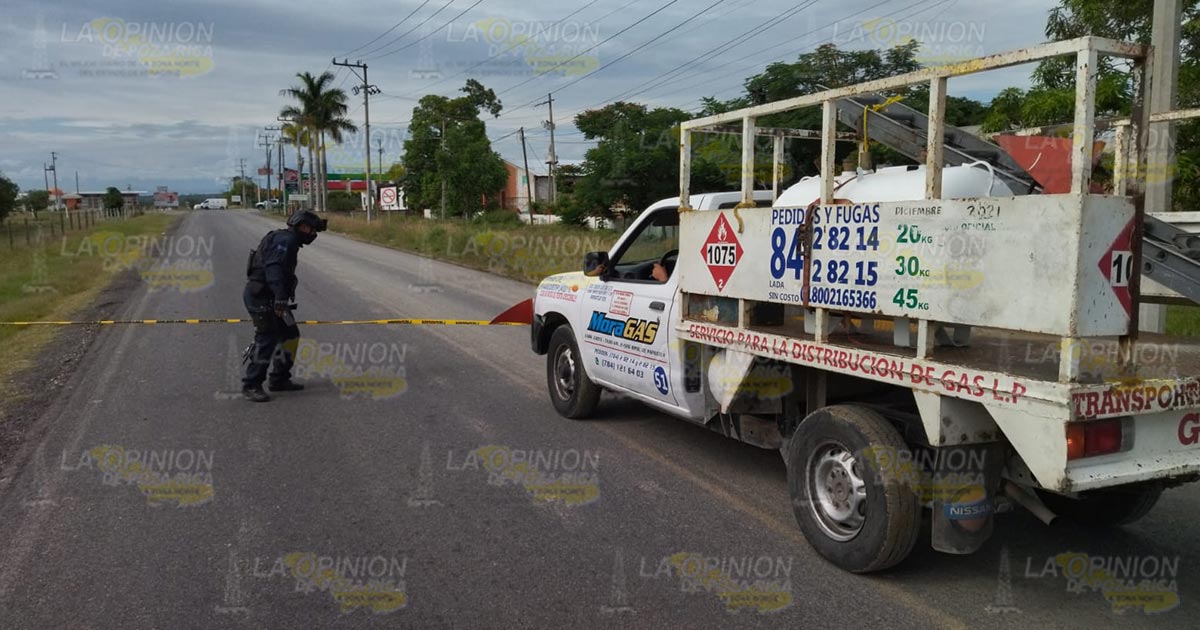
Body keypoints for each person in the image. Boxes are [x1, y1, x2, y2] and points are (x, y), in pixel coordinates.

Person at [241, 208, 326, 402]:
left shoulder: (287, 239)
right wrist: (280, 297)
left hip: (273, 297)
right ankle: (251, 384)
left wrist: (280, 298)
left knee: (290, 335)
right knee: (267, 338)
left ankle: (279, 379)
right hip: (262, 297)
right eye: (312, 230)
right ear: (302, 226)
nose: (313, 234)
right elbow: (273, 267)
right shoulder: (286, 241)